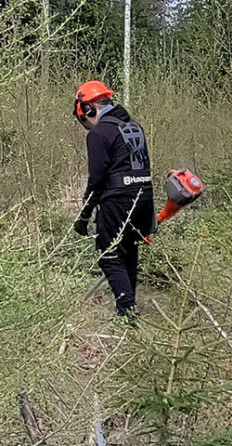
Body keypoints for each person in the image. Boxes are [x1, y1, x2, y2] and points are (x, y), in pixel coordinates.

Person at [72, 80, 156, 321]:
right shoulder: (134, 127)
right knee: (128, 252)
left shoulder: (100, 133)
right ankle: (129, 309)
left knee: (109, 255)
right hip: (143, 198)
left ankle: (126, 313)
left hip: (117, 201)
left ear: (87, 109)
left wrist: (84, 215)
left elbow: (96, 179)